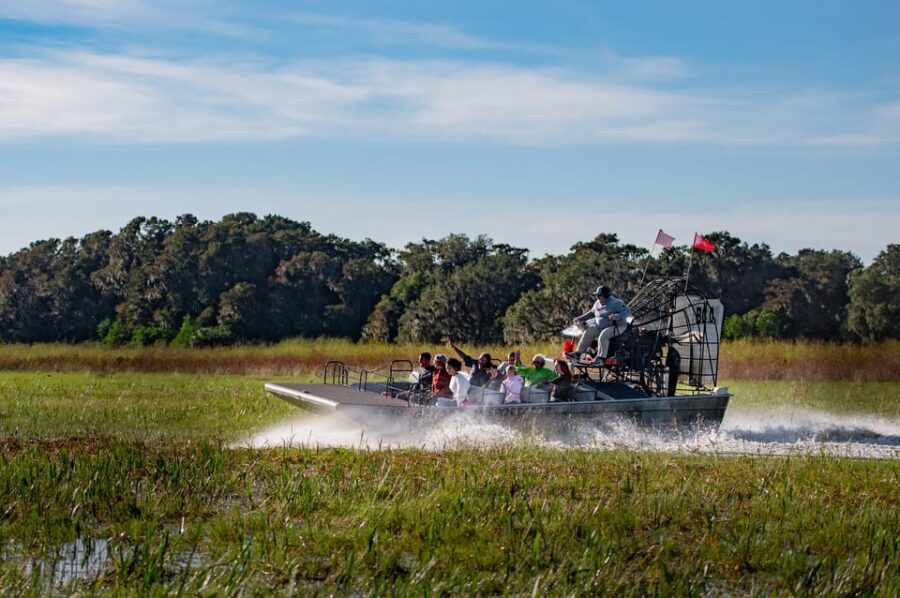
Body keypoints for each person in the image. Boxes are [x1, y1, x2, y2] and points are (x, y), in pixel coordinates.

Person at [571, 285, 632, 360]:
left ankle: (601, 359)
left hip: (618, 326)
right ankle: (578, 353)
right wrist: (580, 318)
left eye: (599, 295)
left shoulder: (616, 303)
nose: (598, 297)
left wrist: (617, 316)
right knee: (589, 332)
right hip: (601, 327)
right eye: (597, 296)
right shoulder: (597, 303)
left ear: (606, 295)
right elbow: (591, 312)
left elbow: (628, 312)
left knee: (604, 335)